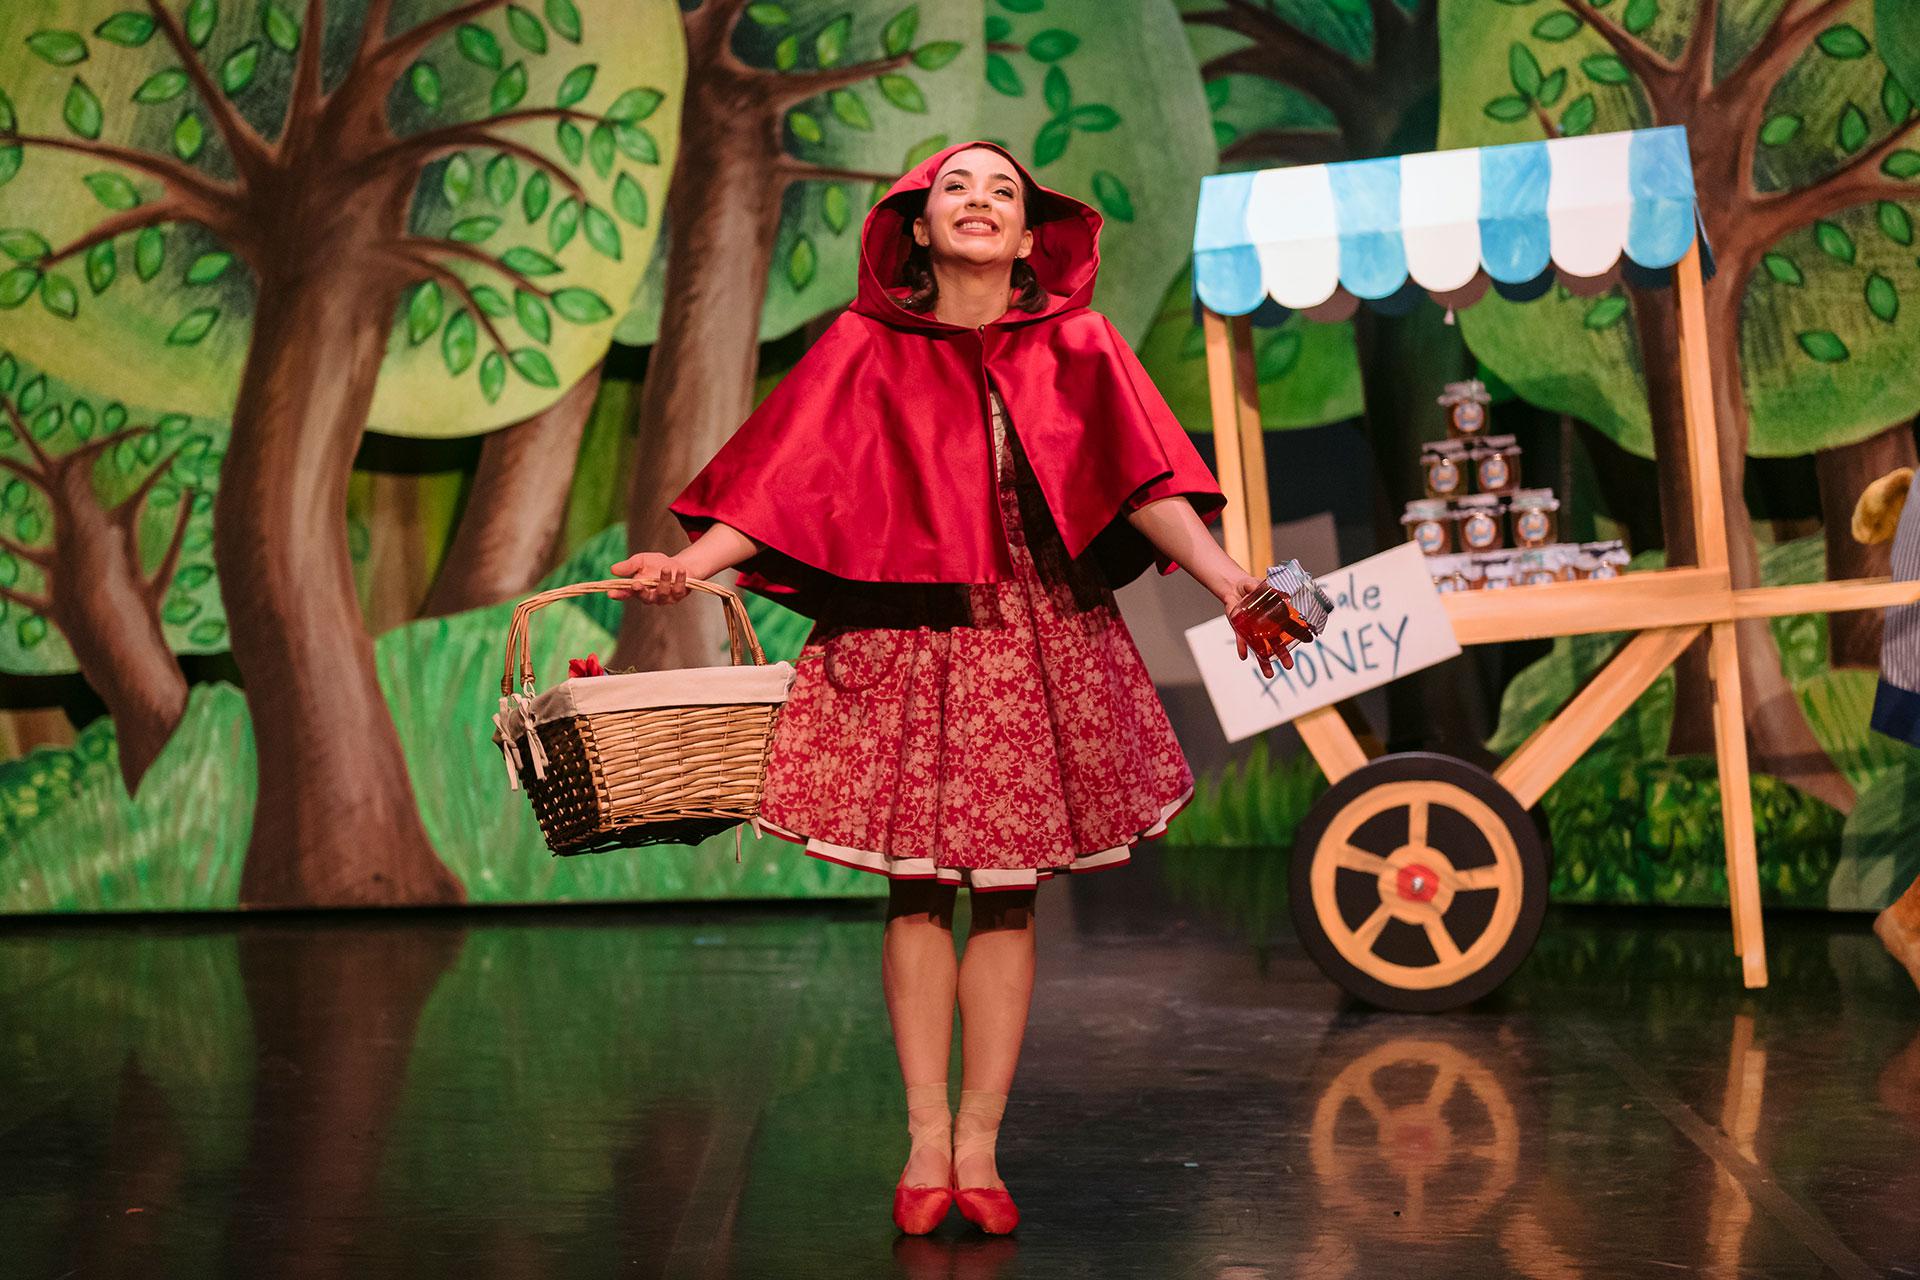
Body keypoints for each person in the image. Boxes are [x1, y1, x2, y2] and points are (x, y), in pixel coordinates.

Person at [615, 142, 1276, 1234]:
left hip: (1033, 639)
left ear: (1027, 236)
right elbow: (786, 482)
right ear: (918, 227)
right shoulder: (863, 347)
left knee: (1008, 894)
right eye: (954, 187)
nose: (978, 200)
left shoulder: (1081, 343)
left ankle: (981, 1144)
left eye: (1001, 190)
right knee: (916, 890)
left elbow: (1143, 480)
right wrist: (690, 565)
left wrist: (1231, 581)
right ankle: (926, 1142)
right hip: (905, 633)